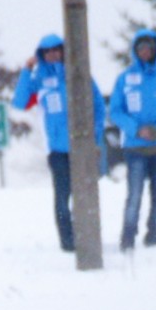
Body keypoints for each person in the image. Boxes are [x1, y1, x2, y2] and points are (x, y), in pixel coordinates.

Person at [11, 33, 106, 252]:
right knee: (62, 198)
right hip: (57, 150)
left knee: (87, 194)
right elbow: (19, 102)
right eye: (48, 51)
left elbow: (99, 107)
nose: (54, 54)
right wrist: (27, 70)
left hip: (82, 146)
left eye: (57, 49)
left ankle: (90, 236)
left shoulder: (78, 74)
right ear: (42, 54)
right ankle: (68, 242)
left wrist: (96, 138)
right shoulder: (40, 80)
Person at [106, 29, 156, 252]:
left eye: (149, 48)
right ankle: (128, 235)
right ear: (135, 51)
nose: (145, 52)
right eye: (141, 49)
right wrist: (136, 130)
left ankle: (154, 235)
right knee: (135, 194)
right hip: (135, 146)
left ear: (155, 50)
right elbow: (116, 111)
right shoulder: (125, 78)